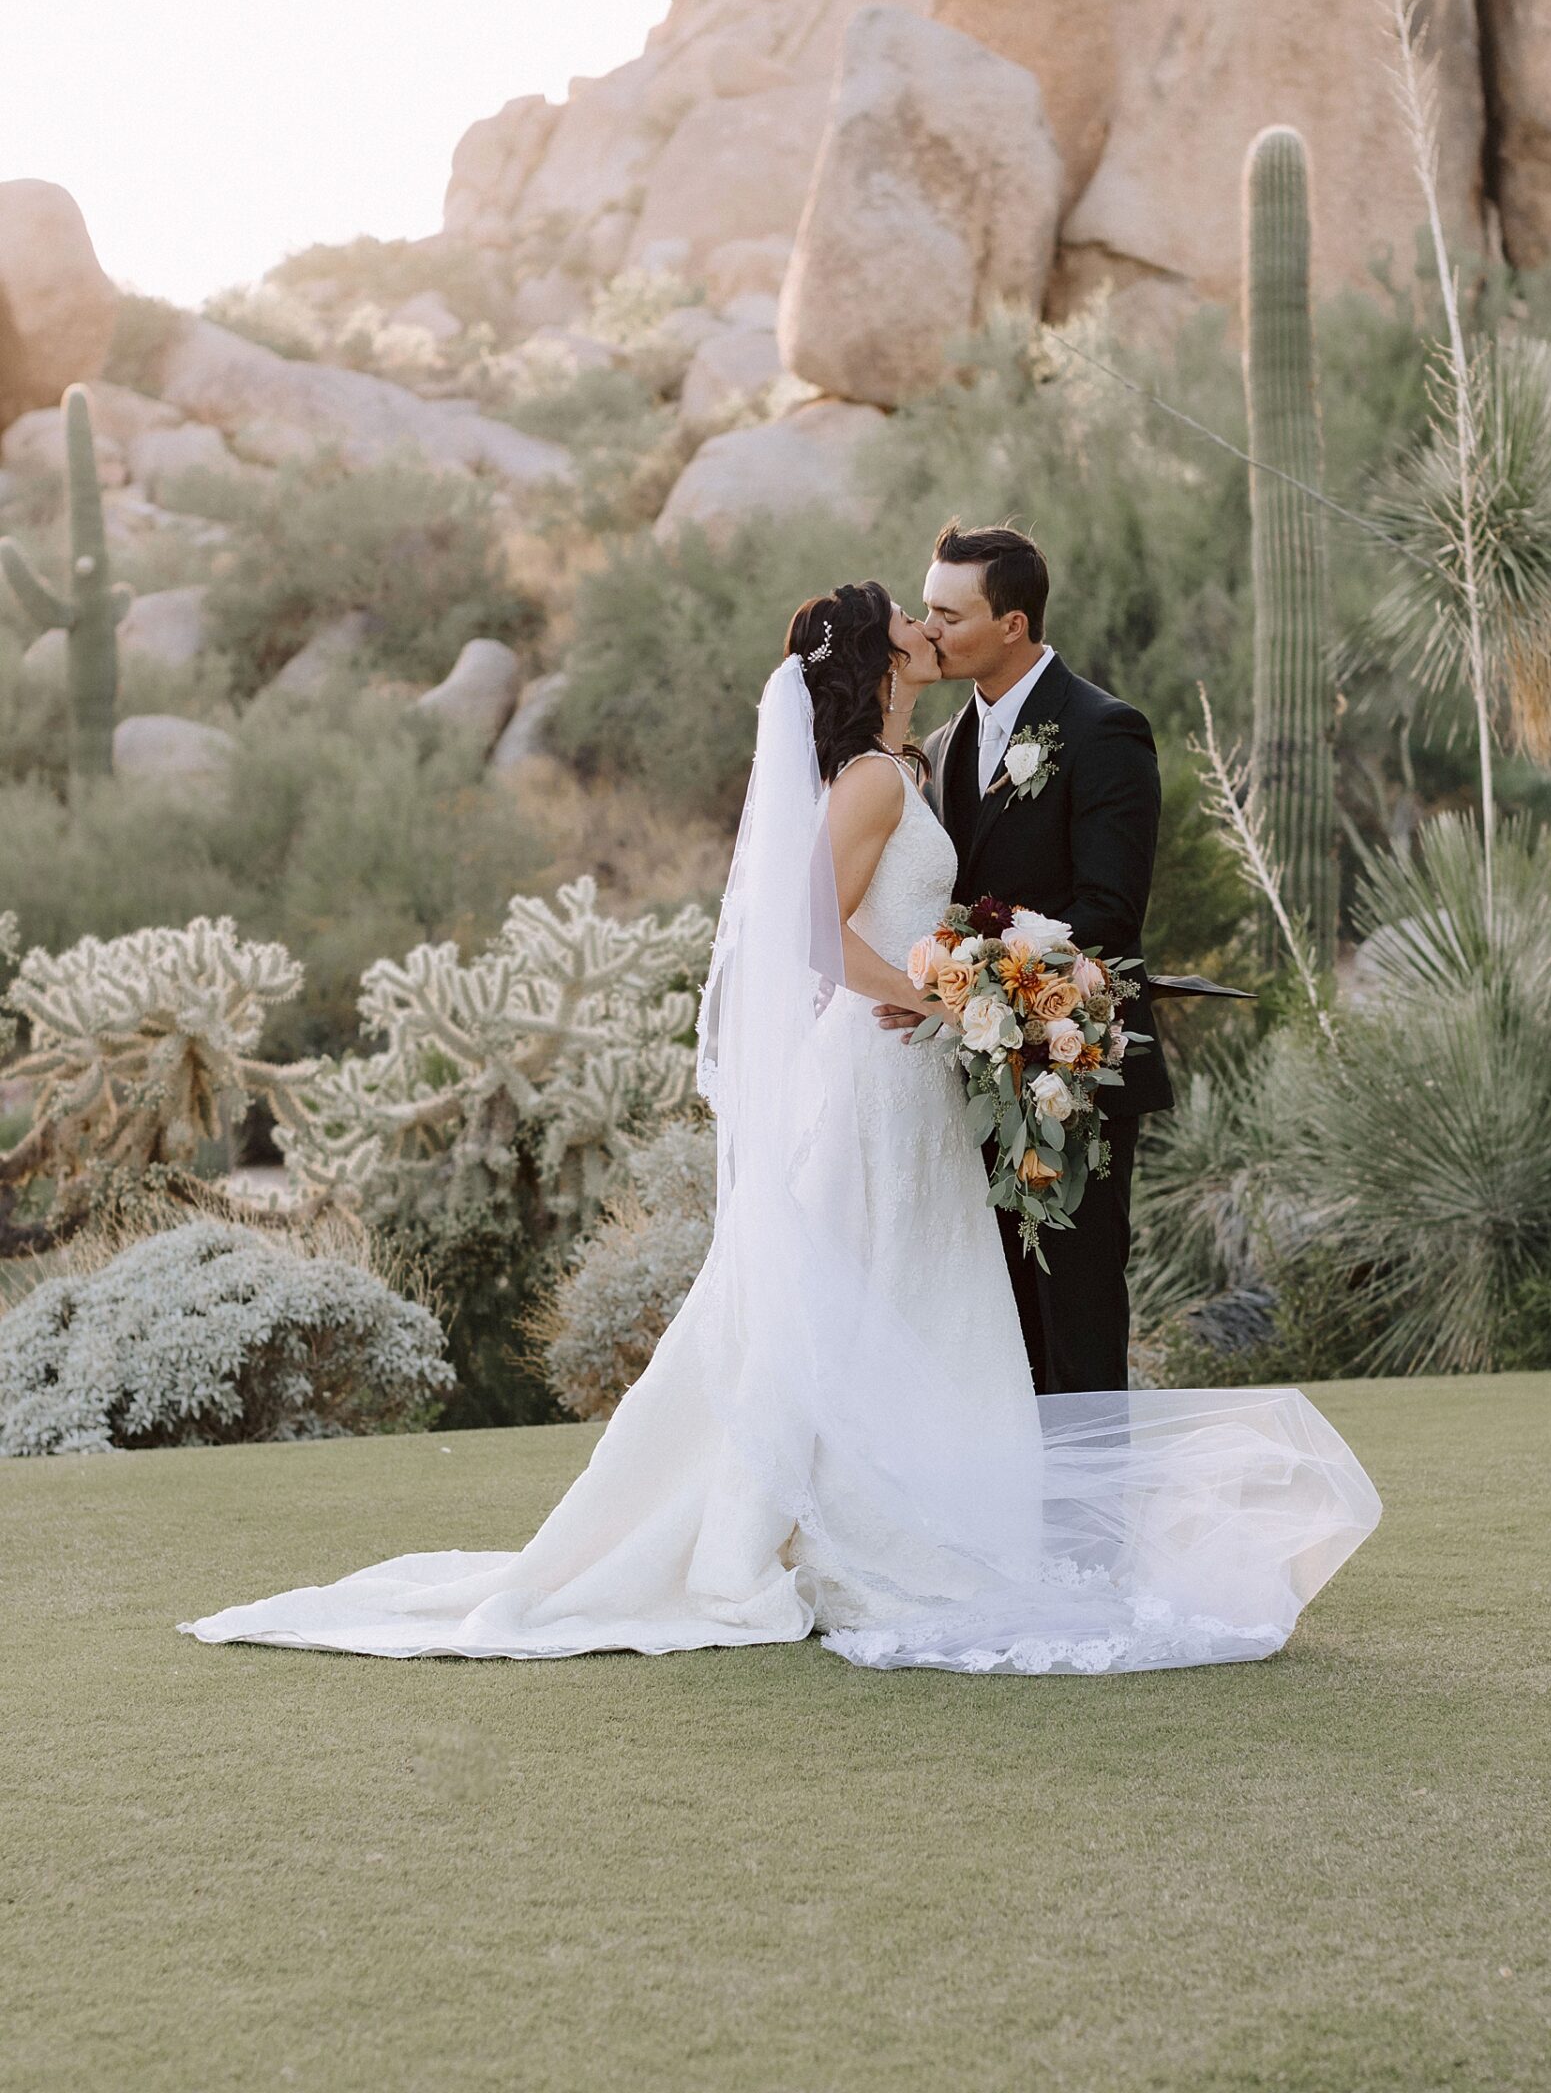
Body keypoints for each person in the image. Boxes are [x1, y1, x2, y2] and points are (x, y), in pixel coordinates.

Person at [182, 581, 1378, 1673]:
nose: (927, 623)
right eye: (910, 618)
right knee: (873, 1276)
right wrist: (934, 993)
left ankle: (931, 1516)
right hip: (880, 1062)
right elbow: (814, 941)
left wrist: (959, 983)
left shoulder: (909, 764)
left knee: (912, 1284)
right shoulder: (868, 779)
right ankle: (851, 1527)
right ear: (880, 656)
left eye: (938, 609)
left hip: (913, 1070)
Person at [901, 521, 1170, 1395]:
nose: (929, 628)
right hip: (970, 1075)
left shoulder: (1104, 731)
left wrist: (974, 968)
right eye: (926, 608)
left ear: (1011, 624)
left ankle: (1095, 1534)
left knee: (1078, 1320)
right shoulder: (940, 751)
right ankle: (1022, 1528)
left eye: (949, 612)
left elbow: (1108, 913)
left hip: (1073, 1072)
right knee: (1000, 1329)